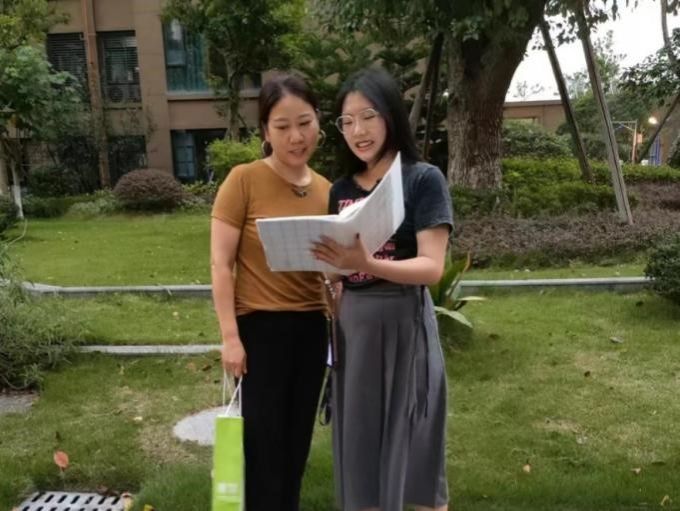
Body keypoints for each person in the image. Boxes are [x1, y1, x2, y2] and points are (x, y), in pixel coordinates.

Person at [312, 67, 453, 511]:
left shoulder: (422, 180)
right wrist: (329, 277)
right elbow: (338, 271)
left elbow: (432, 267)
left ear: (391, 115)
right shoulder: (340, 189)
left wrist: (367, 263)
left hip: (405, 326)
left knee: (417, 450)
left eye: (368, 116)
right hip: (354, 331)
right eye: (347, 121)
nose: (358, 130)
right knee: (361, 451)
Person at [211, 74, 330, 511]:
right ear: (265, 130)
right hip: (260, 331)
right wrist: (230, 337)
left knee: (296, 448)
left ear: (318, 122)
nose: (296, 137)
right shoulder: (243, 180)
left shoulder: (328, 190)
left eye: (305, 123)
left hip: (312, 330)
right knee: (264, 449)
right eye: (282, 126)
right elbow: (221, 264)